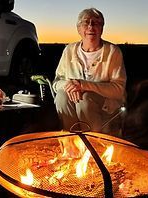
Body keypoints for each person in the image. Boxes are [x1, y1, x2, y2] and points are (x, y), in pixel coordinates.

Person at [52, 8, 127, 136]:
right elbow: (56, 82)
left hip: (105, 110)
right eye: (86, 22)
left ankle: (94, 142)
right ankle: (71, 142)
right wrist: (71, 85)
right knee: (61, 96)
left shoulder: (113, 52)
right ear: (79, 29)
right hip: (74, 105)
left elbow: (118, 90)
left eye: (96, 23)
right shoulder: (69, 50)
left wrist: (84, 85)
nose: (91, 26)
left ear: (102, 29)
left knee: (85, 99)